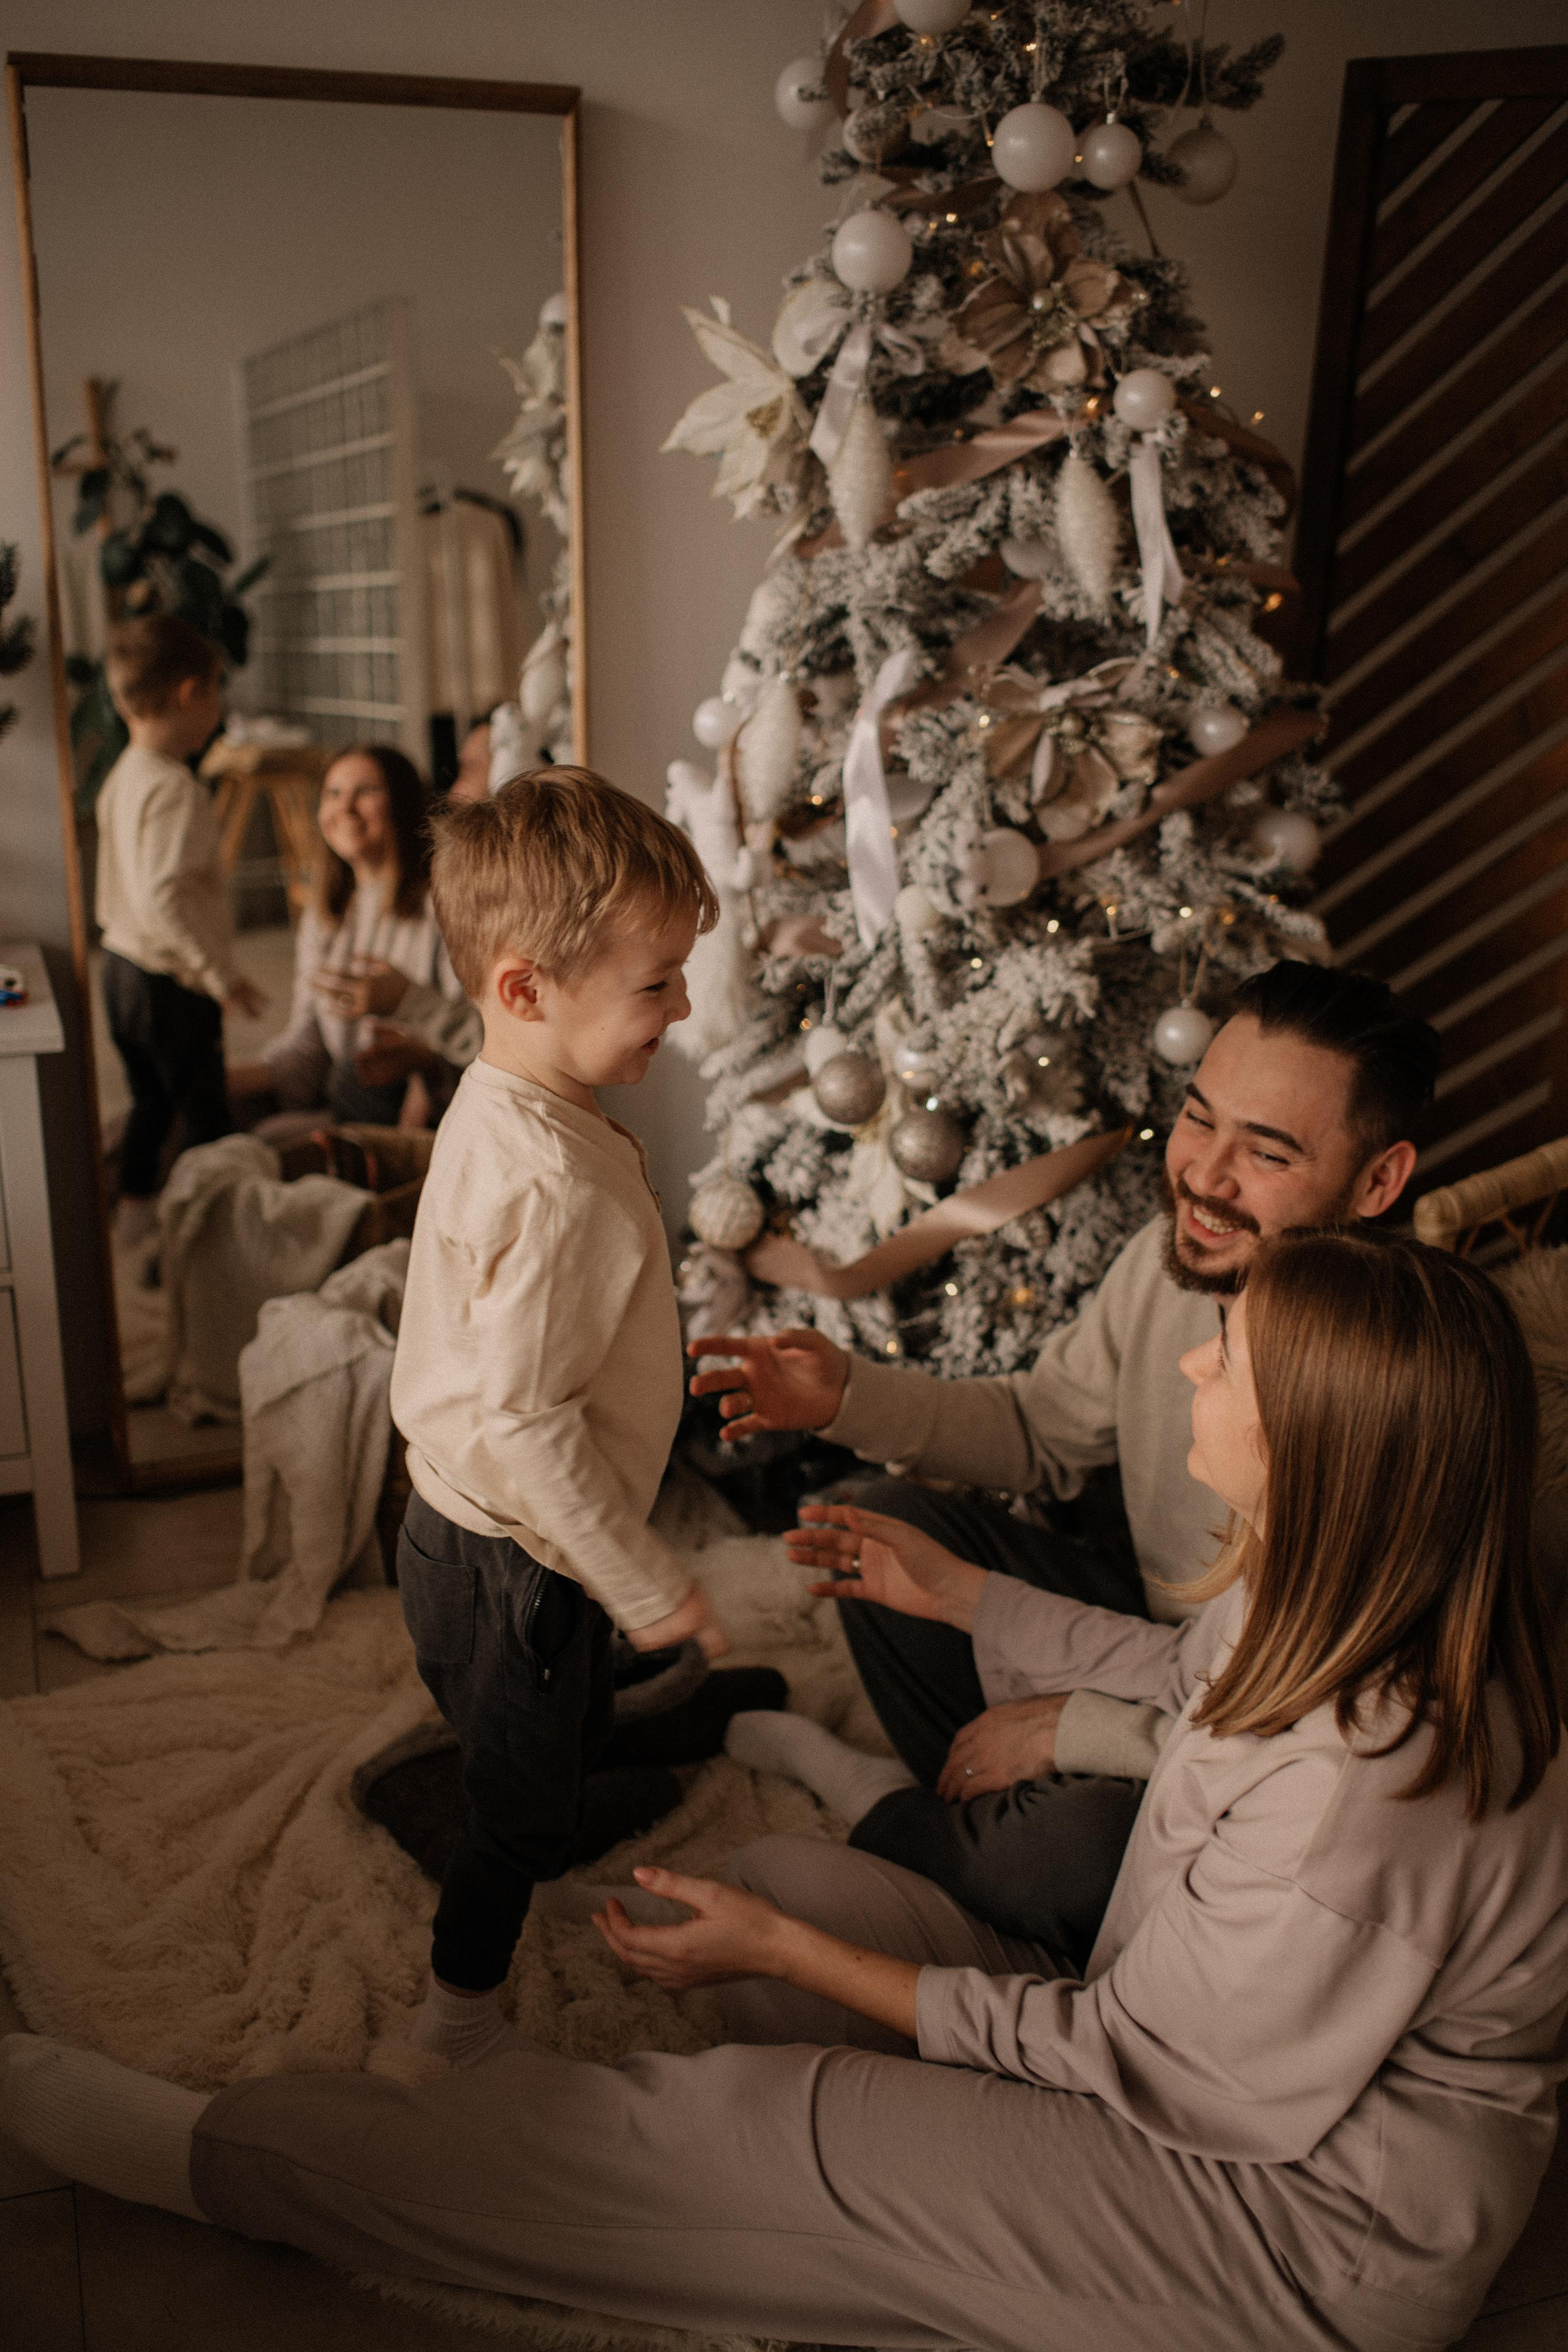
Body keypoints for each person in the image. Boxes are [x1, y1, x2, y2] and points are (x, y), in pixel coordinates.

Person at [5, 1234, 1562, 2352]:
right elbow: (1187, 1675)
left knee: (745, 2103)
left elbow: (1155, 2072)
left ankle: (221, 2150)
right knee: (808, 1886)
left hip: (1281, 2227)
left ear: (1319, 1444)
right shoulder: (1347, 1593)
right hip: (1166, 2039)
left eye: (1228, 1354)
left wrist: (791, 1962)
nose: (1188, 1358)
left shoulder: (1374, 1786)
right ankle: (854, 2160)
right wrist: (953, 1590)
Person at [691, 962, 1441, 1964]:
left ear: (1379, 1181)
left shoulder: (1399, 1395)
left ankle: (905, 1818)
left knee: (1079, 1853)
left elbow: (1316, 1756)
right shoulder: (1168, 1269)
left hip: (1255, 1741)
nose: (1205, 1178)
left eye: (1265, 1153)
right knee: (880, 1531)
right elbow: (1042, 1430)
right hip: (1159, 1645)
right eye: (1198, 1118)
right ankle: (980, 1819)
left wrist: (1083, 1731)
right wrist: (846, 1398)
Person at [384, 766, 735, 2068]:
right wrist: (640, 1576)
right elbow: (529, 1427)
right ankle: (456, 2018)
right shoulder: (556, 1187)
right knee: (520, 1802)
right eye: (655, 984)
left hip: (452, 1525)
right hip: (517, 1555)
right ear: (526, 988)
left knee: (561, 1723)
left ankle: (537, 1792)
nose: (682, 1007)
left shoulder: (507, 1098)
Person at [94, 616, 265, 1247]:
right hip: (168, 983)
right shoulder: (175, 789)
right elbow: (163, 899)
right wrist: (218, 976)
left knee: (149, 1101)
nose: (219, 711)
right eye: (218, 693)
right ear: (190, 694)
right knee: (204, 1112)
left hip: (119, 971)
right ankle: (197, 1241)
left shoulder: (123, 776)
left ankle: (136, 1214)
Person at [227, 744, 478, 1139]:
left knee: (270, 1141)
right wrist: (215, 1082)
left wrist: (420, 1052)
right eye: (333, 793)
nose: (345, 808)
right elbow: (309, 1048)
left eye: (365, 792)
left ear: (402, 803)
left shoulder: (444, 906)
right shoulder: (326, 912)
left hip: (432, 1109)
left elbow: (485, 1044)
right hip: (349, 1098)